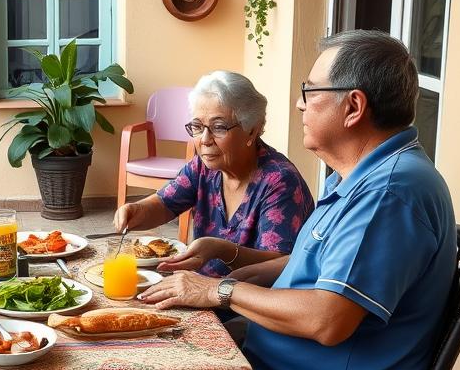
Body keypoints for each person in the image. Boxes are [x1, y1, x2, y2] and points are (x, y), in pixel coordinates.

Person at [82, 31, 456, 370]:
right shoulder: (362, 178)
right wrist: (219, 275)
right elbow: (298, 269)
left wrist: (219, 293)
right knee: (148, 360)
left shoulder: (388, 193)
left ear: (353, 107)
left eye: (311, 91)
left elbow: (327, 319)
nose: (300, 105)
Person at [113, 71, 313, 280]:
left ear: (252, 131)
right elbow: (165, 204)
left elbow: (278, 266)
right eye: (197, 127)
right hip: (203, 287)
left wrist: (222, 250)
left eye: (218, 127)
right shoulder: (203, 167)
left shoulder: (280, 181)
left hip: (251, 295)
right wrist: (136, 210)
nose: (204, 140)